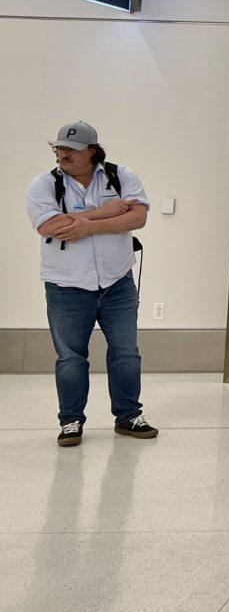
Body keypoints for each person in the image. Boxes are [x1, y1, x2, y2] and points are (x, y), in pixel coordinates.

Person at [25, 121, 156, 447]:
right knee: (70, 357)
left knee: (126, 353)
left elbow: (137, 218)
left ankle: (128, 416)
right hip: (66, 287)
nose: (63, 154)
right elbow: (50, 226)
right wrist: (104, 213)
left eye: (72, 149)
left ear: (93, 151)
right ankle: (70, 422)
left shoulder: (121, 176)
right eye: (59, 149)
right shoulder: (43, 185)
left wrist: (82, 224)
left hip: (117, 284)